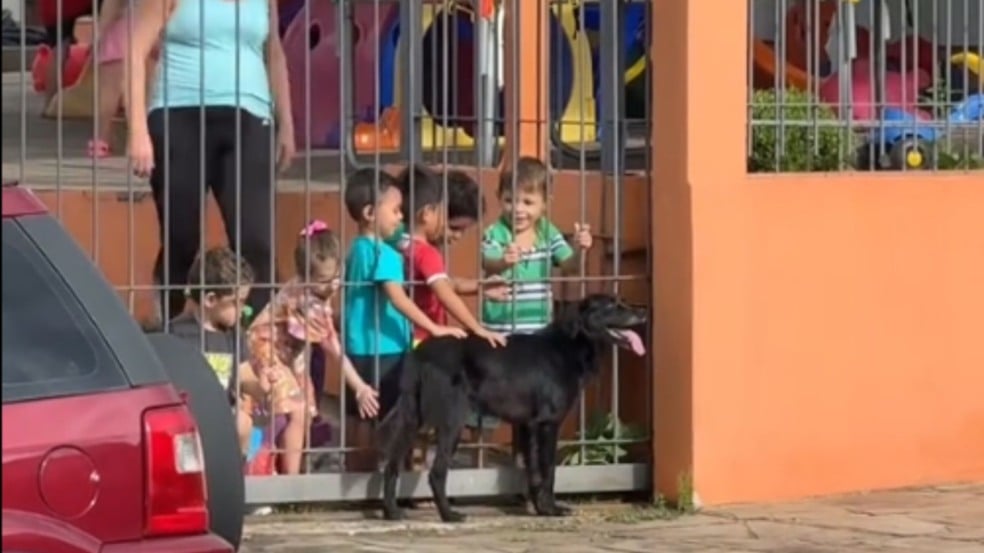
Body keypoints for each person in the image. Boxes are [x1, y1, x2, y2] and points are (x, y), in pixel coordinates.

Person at [126, 0, 295, 321]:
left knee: (256, 240)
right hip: (179, 113)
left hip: (251, 114)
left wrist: (286, 123)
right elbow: (135, 51)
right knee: (181, 237)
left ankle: (257, 340)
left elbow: (273, 52)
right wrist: (137, 130)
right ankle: (172, 328)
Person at [477, 156, 594, 461]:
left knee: (527, 402)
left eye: (527, 202)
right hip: (502, 333)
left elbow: (569, 267)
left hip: (537, 334)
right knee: (490, 398)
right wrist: (504, 261)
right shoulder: (496, 233)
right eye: (509, 200)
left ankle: (522, 465)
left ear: (545, 203)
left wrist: (580, 248)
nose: (517, 209)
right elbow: (487, 261)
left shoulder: (549, 233)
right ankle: (476, 461)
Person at [247, 221, 380, 476]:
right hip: (267, 352)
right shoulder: (307, 302)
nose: (331, 286)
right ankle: (292, 482)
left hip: (290, 356)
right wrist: (359, 387)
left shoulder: (313, 292)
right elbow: (332, 347)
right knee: (296, 409)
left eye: (336, 277)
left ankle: (289, 469)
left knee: (305, 410)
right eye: (323, 280)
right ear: (305, 277)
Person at [341, 168, 465, 421]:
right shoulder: (384, 253)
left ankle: (357, 462)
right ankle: (386, 461)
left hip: (356, 347)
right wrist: (434, 327)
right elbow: (397, 298)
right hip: (386, 348)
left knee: (360, 417)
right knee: (389, 417)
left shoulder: (356, 248)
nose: (401, 217)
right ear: (370, 213)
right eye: (396, 210)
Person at [166, 246, 267, 456]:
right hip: (187, 418)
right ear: (210, 300)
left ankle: (235, 480)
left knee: (243, 423)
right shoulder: (175, 334)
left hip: (222, 418)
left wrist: (262, 386)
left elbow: (244, 375)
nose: (243, 310)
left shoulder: (232, 334)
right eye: (237, 302)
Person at [398, 166, 507, 347]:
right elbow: (444, 293)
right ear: (431, 212)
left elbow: (444, 284)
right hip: (423, 339)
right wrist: (477, 328)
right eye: (454, 228)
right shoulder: (426, 252)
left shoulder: (402, 244)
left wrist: (478, 287)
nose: (458, 236)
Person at [89, 0, 157, 158]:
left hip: (118, 34)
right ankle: (137, 140)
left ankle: (100, 140)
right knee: (143, 95)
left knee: (108, 96)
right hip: (146, 34)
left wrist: (98, 37)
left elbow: (111, 8)